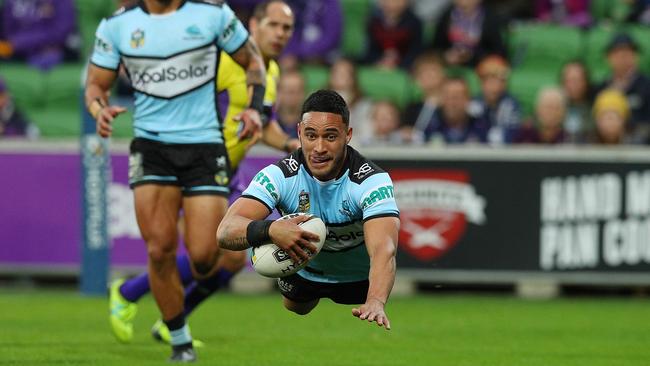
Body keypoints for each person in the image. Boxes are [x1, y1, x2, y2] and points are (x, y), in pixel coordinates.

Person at [105, 0, 299, 351]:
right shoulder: (224, 60)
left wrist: (288, 142)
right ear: (252, 27)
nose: (280, 34)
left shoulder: (268, 72)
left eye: (286, 28)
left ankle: (156, 312)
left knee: (224, 260)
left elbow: (263, 122)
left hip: (226, 172)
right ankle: (133, 295)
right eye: (273, 25)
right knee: (210, 256)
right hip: (196, 168)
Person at [216, 89, 400, 330]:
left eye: (331, 136)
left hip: (360, 279)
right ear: (300, 133)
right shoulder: (279, 175)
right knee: (297, 307)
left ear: (348, 135)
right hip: (306, 272)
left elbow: (383, 249)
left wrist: (375, 300)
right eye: (311, 136)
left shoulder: (371, 181)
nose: (319, 147)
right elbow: (225, 231)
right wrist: (270, 229)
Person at [595, 33, 650, 144]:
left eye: (627, 53)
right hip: (603, 146)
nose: (622, 58)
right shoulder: (600, 88)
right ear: (608, 57)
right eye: (618, 53)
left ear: (636, 56)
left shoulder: (647, 86)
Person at [0, 0, 80, 70]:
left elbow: (59, 32)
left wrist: (19, 43)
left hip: (49, 51)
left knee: (47, 58)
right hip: (16, 51)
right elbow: (8, 29)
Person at [431, 0, 506, 67]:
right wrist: (445, 55)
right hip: (449, 65)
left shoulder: (491, 18)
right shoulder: (446, 15)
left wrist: (472, 56)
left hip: (479, 67)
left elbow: (498, 51)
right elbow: (436, 47)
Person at [470, 54, 521, 144]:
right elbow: (472, 132)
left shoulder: (511, 104)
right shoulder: (474, 102)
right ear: (482, 83)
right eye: (489, 80)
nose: (494, 85)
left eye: (499, 80)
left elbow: (512, 134)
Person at [421, 77, 490, 144]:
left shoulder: (480, 127)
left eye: (457, 97)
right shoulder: (429, 127)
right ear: (441, 99)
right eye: (448, 97)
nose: (452, 103)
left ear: (468, 99)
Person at [362, 0, 423, 70]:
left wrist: (398, 64)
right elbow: (368, 50)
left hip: (405, 69)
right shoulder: (373, 21)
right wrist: (379, 61)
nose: (393, 4)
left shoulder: (415, 23)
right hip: (377, 67)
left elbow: (415, 52)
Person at [402, 52, 446, 143]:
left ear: (443, 74)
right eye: (423, 72)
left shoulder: (452, 105)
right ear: (417, 80)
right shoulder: (412, 109)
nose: (429, 75)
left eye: (433, 70)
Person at [560, 60, 594, 143]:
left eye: (577, 80)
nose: (573, 85)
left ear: (586, 82)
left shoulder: (595, 109)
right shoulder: (554, 108)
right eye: (569, 80)